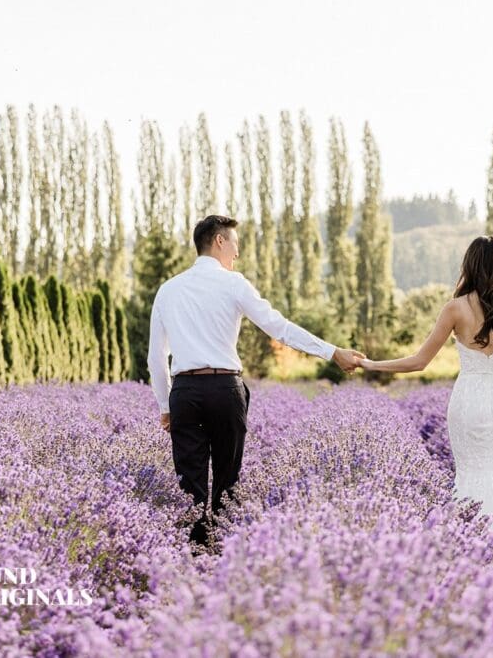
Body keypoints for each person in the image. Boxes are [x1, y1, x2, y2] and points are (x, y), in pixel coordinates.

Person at [147, 215, 365, 552]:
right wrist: (332, 352)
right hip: (225, 390)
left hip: (185, 392)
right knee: (227, 484)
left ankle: (190, 563)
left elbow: (156, 358)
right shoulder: (234, 284)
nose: (237, 252)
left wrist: (165, 406)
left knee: (188, 485)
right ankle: (220, 559)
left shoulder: (168, 289)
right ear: (219, 241)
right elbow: (279, 328)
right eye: (234, 243)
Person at [358, 235, 493, 541]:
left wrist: (372, 364)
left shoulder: (455, 309)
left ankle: (467, 545)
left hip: (467, 401)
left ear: (470, 266)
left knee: (469, 473)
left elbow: (418, 361)